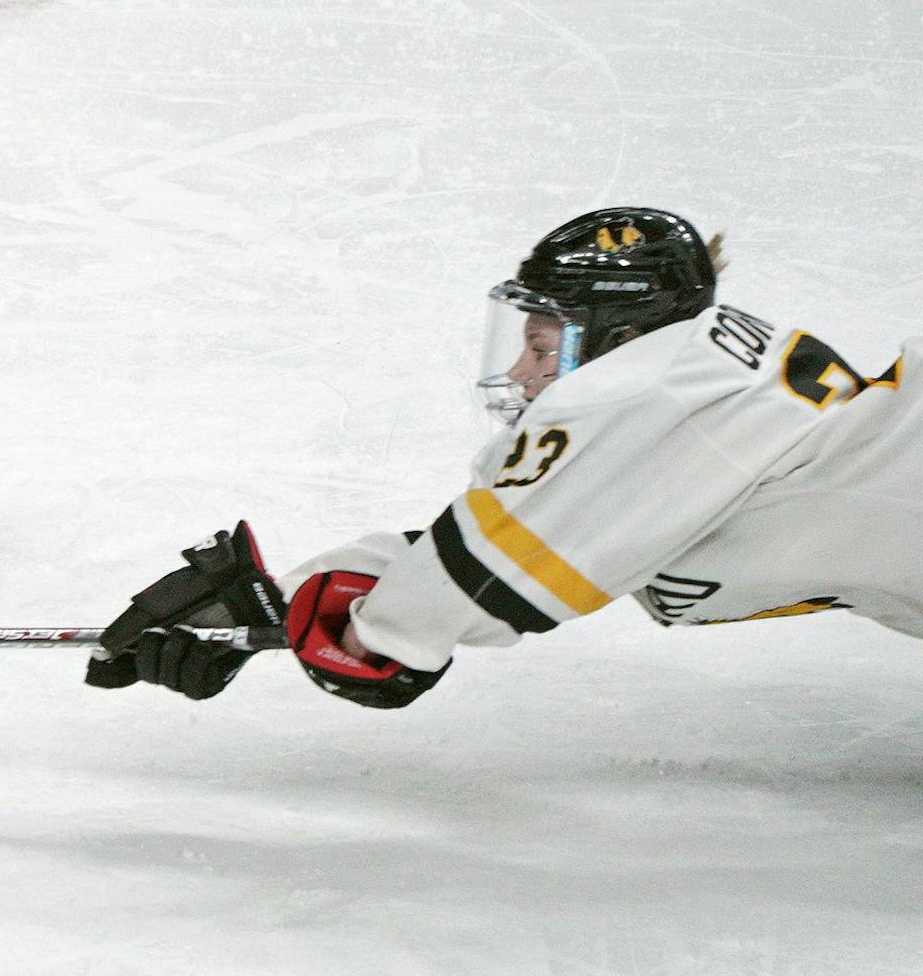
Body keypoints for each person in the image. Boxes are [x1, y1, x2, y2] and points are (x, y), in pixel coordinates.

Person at [88, 206, 919, 709]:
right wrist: (302, 591)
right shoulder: (697, 417)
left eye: (541, 344)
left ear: (619, 336)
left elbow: (460, 596)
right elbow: (524, 538)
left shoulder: (652, 387)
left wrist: (351, 627)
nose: (522, 373)